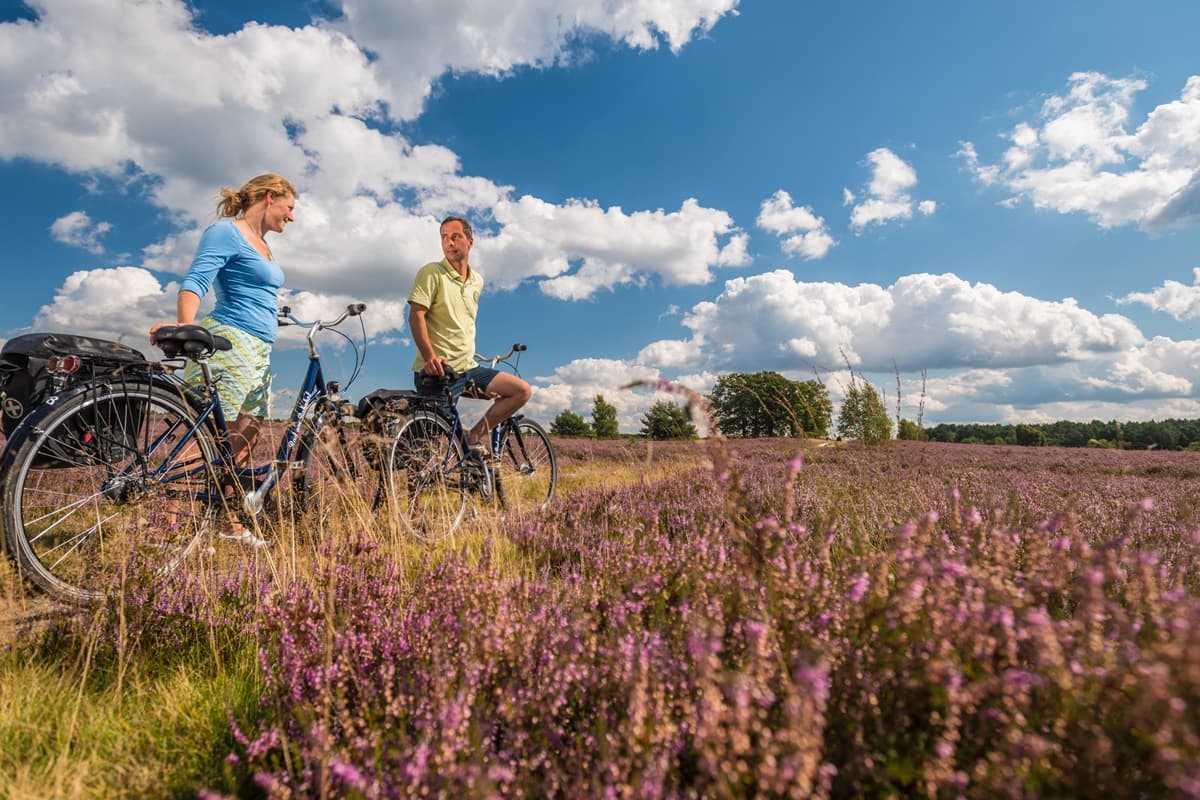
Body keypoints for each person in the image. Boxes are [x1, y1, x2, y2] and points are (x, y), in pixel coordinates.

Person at [150, 173, 296, 547]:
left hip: (259, 348)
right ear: (269, 197)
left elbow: (256, 293)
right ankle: (166, 531)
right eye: (289, 208)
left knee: (244, 436)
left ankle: (227, 522)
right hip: (231, 342)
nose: (291, 218)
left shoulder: (262, 244)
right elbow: (196, 280)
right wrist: (186, 328)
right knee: (208, 438)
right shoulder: (225, 233)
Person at [408, 215, 531, 457]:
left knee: (520, 391)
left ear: (470, 241)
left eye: (455, 237)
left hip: (468, 369)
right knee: (425, 452)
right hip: (438, 372)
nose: (449, 243)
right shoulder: (431, 273)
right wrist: (430, 357)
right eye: (444, 238)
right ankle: (415, 492)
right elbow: (416, 316)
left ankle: (472, 437)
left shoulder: (477, 281)